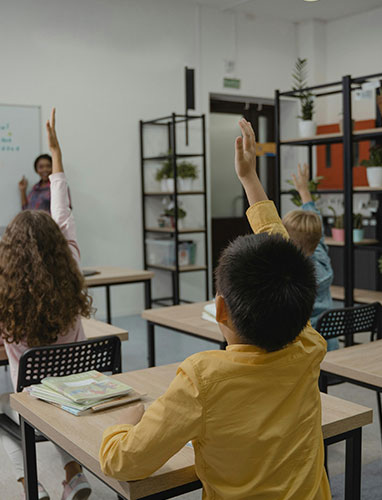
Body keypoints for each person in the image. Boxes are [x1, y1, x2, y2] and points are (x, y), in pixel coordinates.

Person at [98, 118, 330, 499]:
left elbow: (123, 462)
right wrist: (250, 180)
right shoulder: (307, 345)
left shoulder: (202, 378)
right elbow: (281, 248)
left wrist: (122, 425)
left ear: (220, 309)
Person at [0, 109, 93, 500]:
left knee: (8, 403)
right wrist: (57, 153)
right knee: (55, 400)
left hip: (37, 399)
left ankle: (31, 487)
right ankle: (74, 476)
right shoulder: (71, 265)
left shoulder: (4, 297)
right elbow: (62, 210)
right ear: (60, 246)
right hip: (76, 391)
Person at [284, 162, 336, 348]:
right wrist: (303, 190)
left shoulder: (292, 277)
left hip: (304, 352)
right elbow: (316, 225)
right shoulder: (320, 255)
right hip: (329, 346)